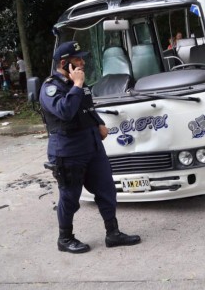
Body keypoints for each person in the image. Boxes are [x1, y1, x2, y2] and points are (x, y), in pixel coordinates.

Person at [39, 41, 141, 253]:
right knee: (70, 197)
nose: (83, 62)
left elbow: (87, 108)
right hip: (68, 152)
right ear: (64, 63)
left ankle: (113, 233)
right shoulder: (51, 87)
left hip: (92, 146)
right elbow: (65, 111)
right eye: (78, 59)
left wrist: (99, 123)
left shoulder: (81, 83)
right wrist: (76, 86)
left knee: (106, 190)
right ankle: (65, 238)